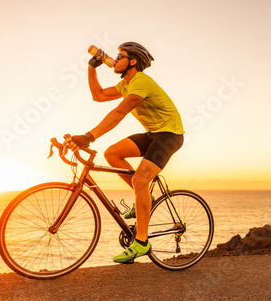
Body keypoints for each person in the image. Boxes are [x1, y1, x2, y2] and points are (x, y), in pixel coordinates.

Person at [65, 42, 184, 264]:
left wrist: (89, 136)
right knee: (112, 154)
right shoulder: (125, 85)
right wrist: (92, 67)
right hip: (153, 134)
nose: (114, 59)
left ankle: (141, 242)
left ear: (132, 62)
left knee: (140, 179)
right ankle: (146, 197)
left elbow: (120, 112)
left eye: (120, 56)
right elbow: (98, 95)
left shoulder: (140, 82)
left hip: (170, 135)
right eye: (115, 56)